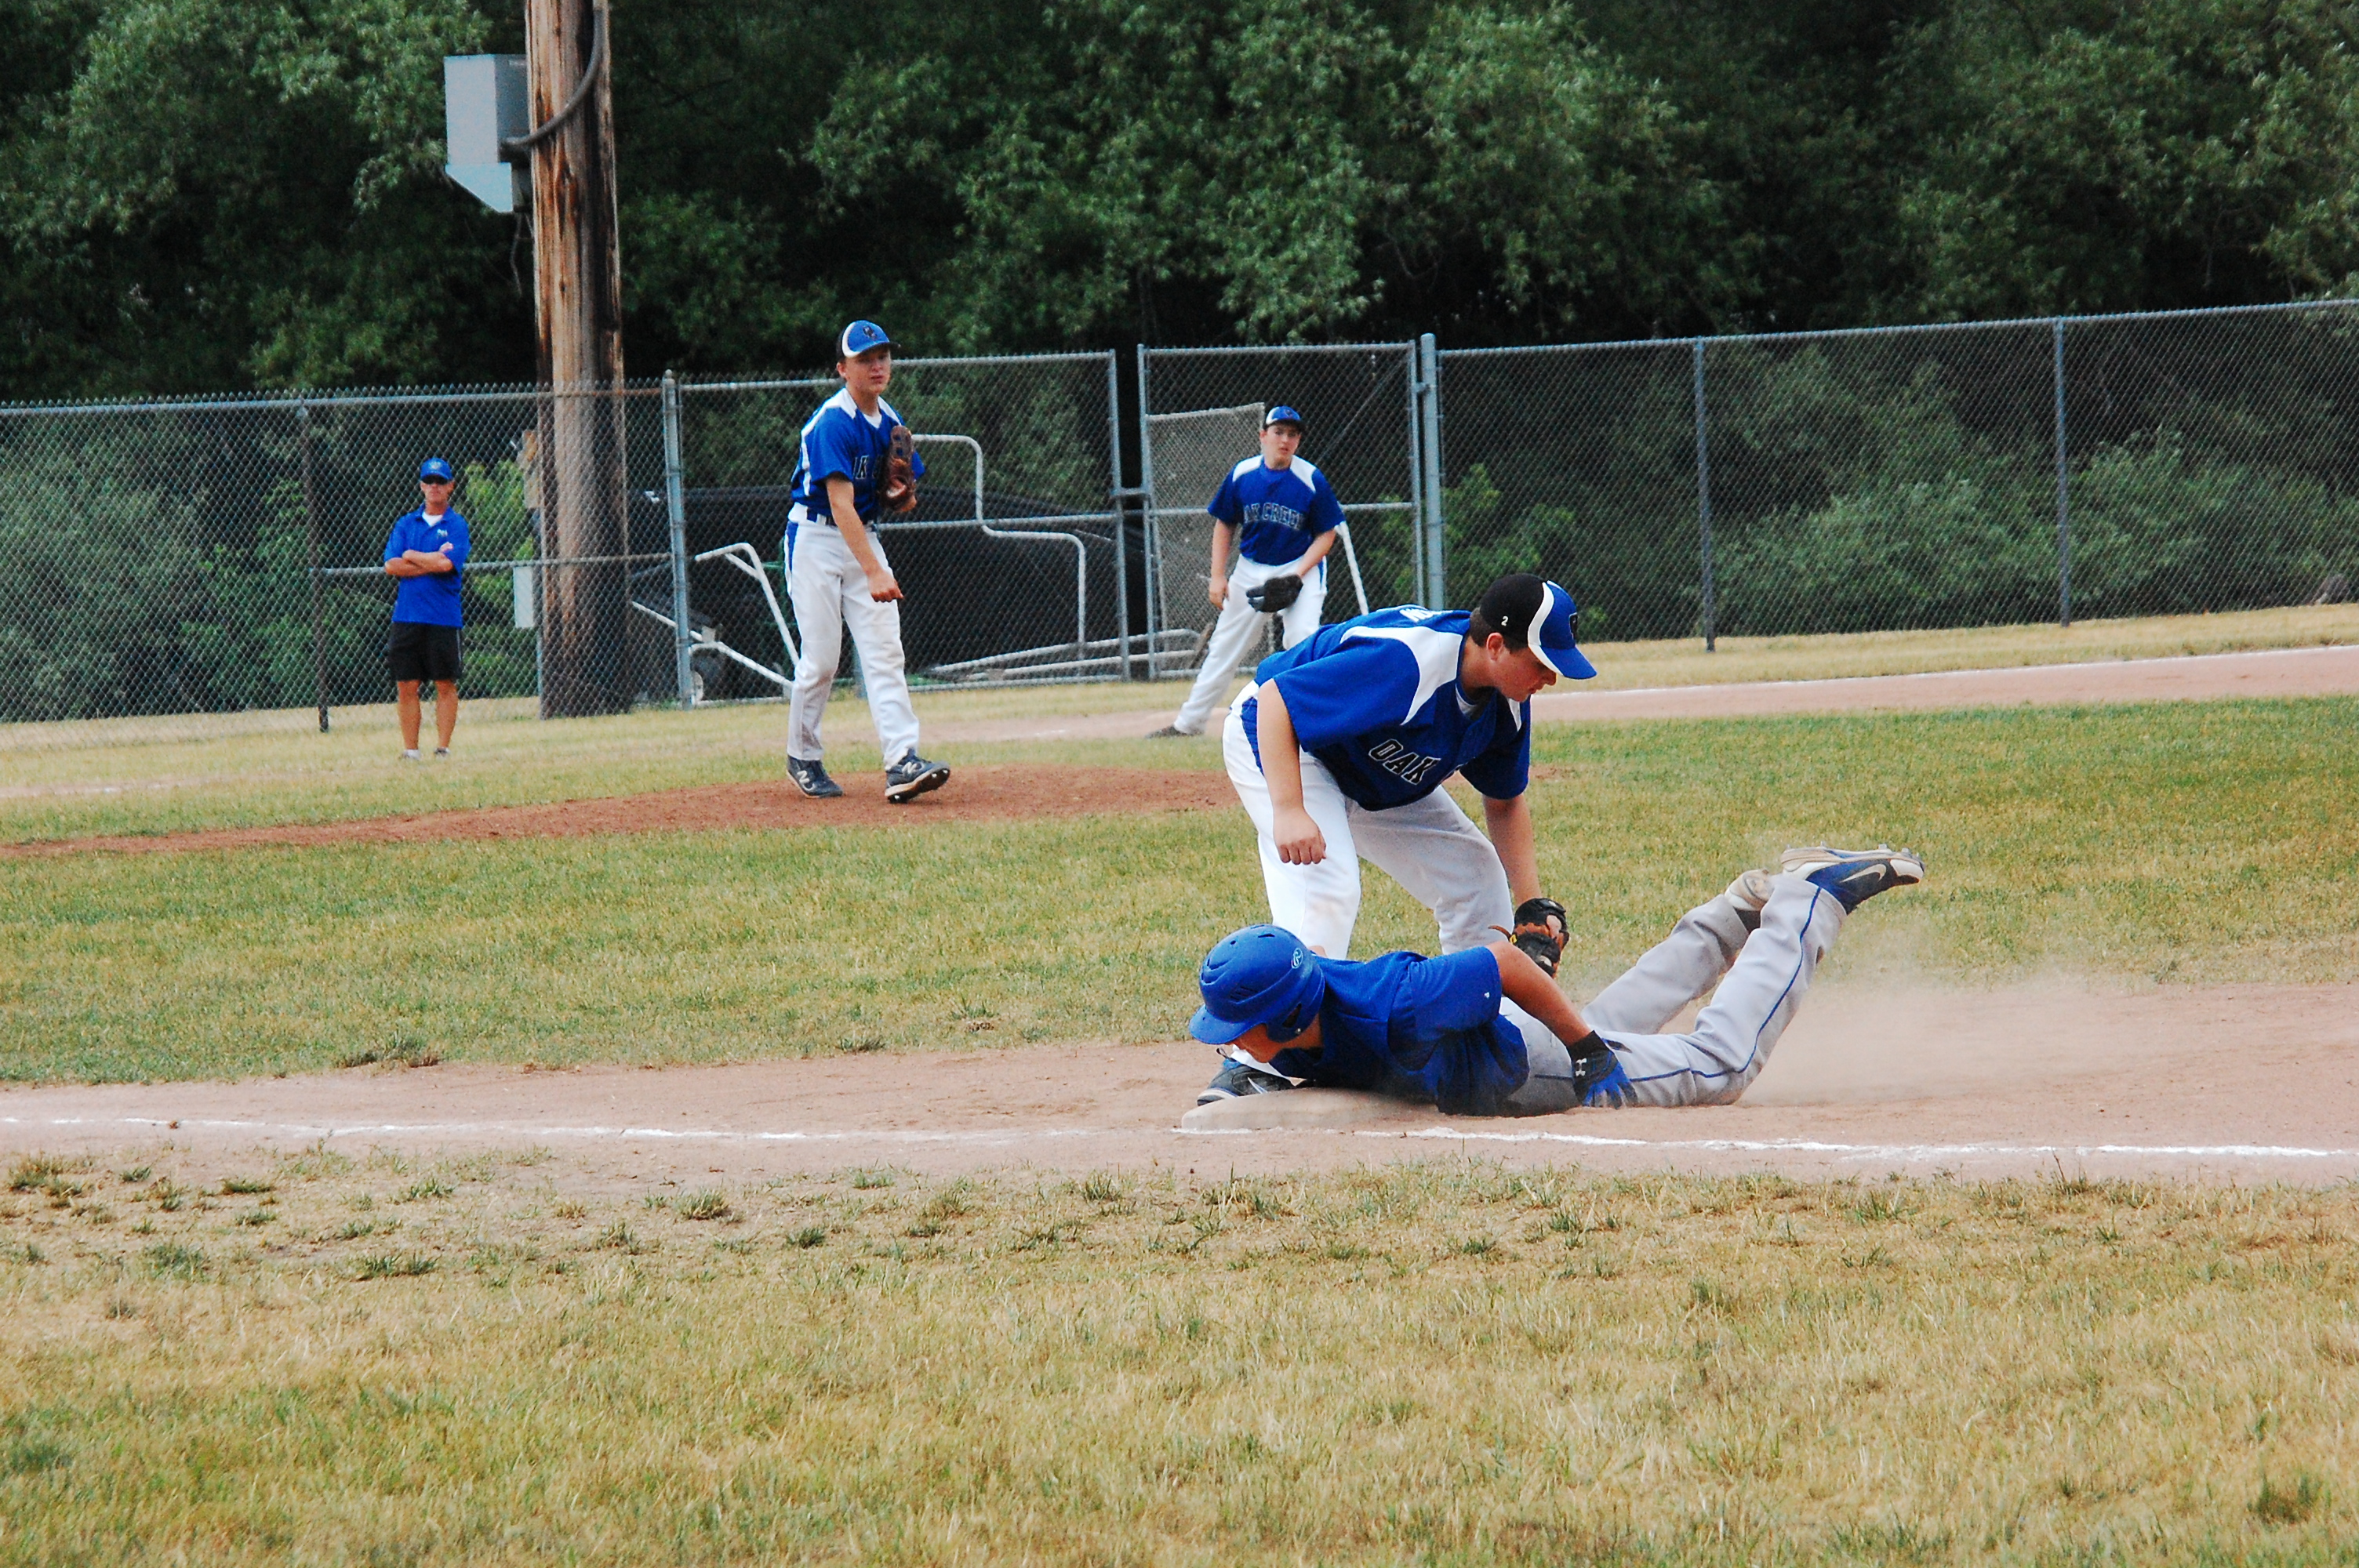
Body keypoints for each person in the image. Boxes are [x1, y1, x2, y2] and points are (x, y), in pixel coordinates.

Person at [1189, 845, 1925, 1110]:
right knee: (1614, 1017)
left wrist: (1583, 1050)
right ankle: (1734, 914)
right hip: (1505, 1032)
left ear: (1289, 1018)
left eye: (1240, 1031)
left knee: (1719, 1067)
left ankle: (1811, 899)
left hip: (1529, 1066)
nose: (1233, 1043)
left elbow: (1504, 963)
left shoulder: (1399, 1003)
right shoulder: (1301, 1004)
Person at [1223, 572, 1593, 966]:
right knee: (1329, 884)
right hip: (1286, 738)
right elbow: (1276, 698)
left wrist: (1531, 905)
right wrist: (1289, 809)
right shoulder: (1409, 660)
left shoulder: (1508, 700)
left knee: (1476, 875)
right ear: (1496, 646)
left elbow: (1504, 802)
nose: (1551, 678)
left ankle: (1482, 999)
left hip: (1369, 767)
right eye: (1541, 663)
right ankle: (1295, 1002)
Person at [782, 318, 952, 804]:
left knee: (884, 651)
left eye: (882, 357)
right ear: (843, 369)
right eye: (865, 359)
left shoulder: (890, 421)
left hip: (863, 535)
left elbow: (902, 499)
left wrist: (902, 494)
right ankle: (803, 756)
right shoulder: (832, 423)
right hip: (816, 538)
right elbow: (840, 506)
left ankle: (902, 761)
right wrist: (875, 570)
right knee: (822, 660)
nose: (877, 366)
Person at [1148, 405, 1342, 739]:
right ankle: (1189, 724)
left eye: (1292, 434)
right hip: (1251, 568)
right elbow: (1224, 524)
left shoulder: (1311, 479)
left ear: (1298, 441)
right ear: (1263, 436)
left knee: (1302, 640)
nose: (1285, 440)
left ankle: (1312, 723)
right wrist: (1218, 576)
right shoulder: (1243, 474)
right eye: (1278, 432)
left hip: (1300, 567)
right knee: (1225, 647)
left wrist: (1297, 576)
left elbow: (1327, 534)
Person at [382, 457, 471, 760]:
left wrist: (412, 555)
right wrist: (430, 559)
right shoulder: (406, 524)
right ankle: (411, 750)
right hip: (408, 616)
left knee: (444, 682)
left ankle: (443, 748)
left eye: (440, 482)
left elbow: (447, 564)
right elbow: (392, 565)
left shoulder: (456, 525)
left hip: (443, 616)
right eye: (429, 481)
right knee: (407, 684)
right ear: (422, 486)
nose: (435, 487)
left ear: (450, 486)